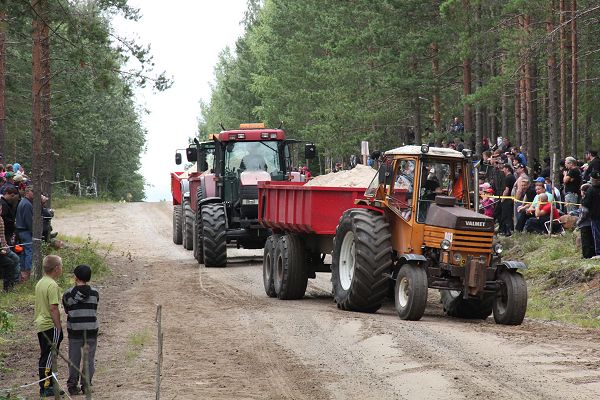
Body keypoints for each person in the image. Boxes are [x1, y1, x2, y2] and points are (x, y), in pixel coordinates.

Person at [62, 264, 99, 395]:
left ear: (75, 277)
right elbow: (94, 308)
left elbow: (67, 310)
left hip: (75, 331)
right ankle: (86, 385)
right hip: (91, 331)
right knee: (89, 359)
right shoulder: (95, 293)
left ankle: (72, 385)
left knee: (74, 359)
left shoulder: (67, 294)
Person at [35, 255, 64, 397]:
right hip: (49, 325)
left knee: (48, 355)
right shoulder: (52, 285)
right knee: (49, 356)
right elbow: (53, 308)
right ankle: (45, 386)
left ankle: (52, 384)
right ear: (57, 268)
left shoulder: (41, 282)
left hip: (40, 324)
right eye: (61, 266)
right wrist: (58, 327)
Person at [16, 186, 33, 281]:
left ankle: (23, 272)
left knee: (23, 252)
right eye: (33, 191)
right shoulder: (27, 204)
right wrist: (34, 232)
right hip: (25, 231)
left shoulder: (24, 202)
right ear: (28, 192)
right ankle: (28, 272)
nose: (35, 194)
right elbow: (29, 221)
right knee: (29, 252)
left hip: (21, 231)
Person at [582, 171, 600, 255]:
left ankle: (598, 252)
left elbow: (586, 204)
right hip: (595, 215)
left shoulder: (591, 190)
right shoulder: (591, 189)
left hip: (595, 216)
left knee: (597, 235)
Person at [577, 183, 594, 259]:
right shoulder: (593, 198)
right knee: (592, 239)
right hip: (592, 222)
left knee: (585, 241)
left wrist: (578, 221)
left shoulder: (585, 200)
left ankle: (586, 255)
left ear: (583, 192)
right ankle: (592, 253)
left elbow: (584, 212)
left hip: (585, 223)